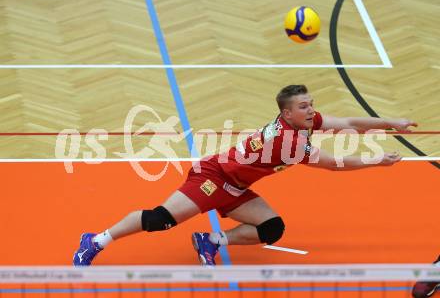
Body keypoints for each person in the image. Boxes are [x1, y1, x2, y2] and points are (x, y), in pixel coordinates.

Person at [73, 84, 417, 266]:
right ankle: (96, 240)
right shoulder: (287, 141)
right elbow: (331, 164)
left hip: (237, 187)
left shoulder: (301, 123)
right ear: (286, 112)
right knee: (160, 219)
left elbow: (348, 124)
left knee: (271, 229)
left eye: (311, 103)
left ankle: (210, 242)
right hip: (213, 177)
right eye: (303, 106)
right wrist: (377, 162)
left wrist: (391, 122)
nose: (311, 109)